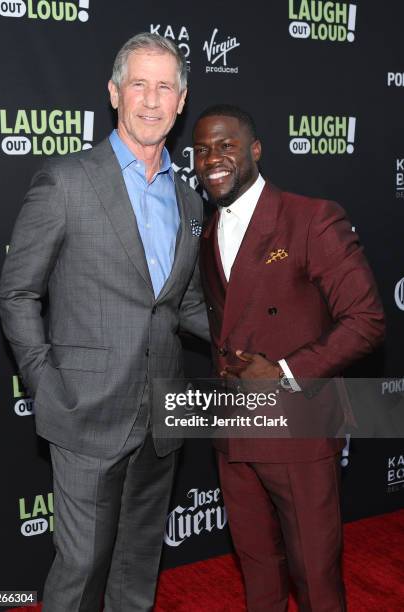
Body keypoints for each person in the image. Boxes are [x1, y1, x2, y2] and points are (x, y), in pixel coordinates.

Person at [0, 33, 208, 612]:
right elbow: (17, 293)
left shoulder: (190, 204)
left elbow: (182, 303)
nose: (150, 99)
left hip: (164, 412)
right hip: (84, 409)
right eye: (138, 83)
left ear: (182, 99)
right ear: (114, 93)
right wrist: (46, 383)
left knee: (138, 565)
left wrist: (259, 335)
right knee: (82, 567)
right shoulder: (66, 181)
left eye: (164, 86)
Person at [193, 104, 385, 611]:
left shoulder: (311, 217)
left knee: (315, 577)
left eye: (226, 145)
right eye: (201, 149)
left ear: (255, 151)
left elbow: (366, 319)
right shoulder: (207, 232)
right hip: (233, 431)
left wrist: (283, 372)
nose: (213, 158)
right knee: (257, 572)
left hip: (296, 427)